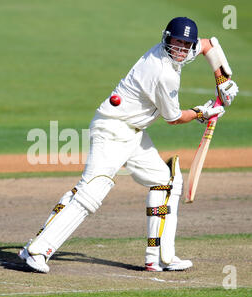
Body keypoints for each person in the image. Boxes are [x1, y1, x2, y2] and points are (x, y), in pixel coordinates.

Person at [18, 17, 239, 272]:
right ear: (167, 39)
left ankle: (157, 257)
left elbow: (210, 45)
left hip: (133, 133)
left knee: (164, 180)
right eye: (176, 42)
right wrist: (204, 112)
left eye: (185, 45)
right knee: (91, 191)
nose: (179, 49)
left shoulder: (183, 51)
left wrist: (222, 80)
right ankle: (36, 250)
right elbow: (174, 118)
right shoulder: (162, 72)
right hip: (112, 129)